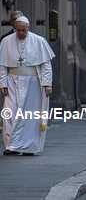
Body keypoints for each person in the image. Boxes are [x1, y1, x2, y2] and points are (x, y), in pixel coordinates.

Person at [0, 15, 55, 155]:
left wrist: (47, 84)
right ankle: (10, 146)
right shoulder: (6, 41)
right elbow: (2, 66)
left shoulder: (39, 41)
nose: (20, 33)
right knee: (9, 113)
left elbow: (46, 65)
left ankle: (29, 146)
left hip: (33, 83)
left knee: (30, 116)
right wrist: (3, 83)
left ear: (28, 28)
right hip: (12, 82)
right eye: (18, 30)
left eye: (23, 30)